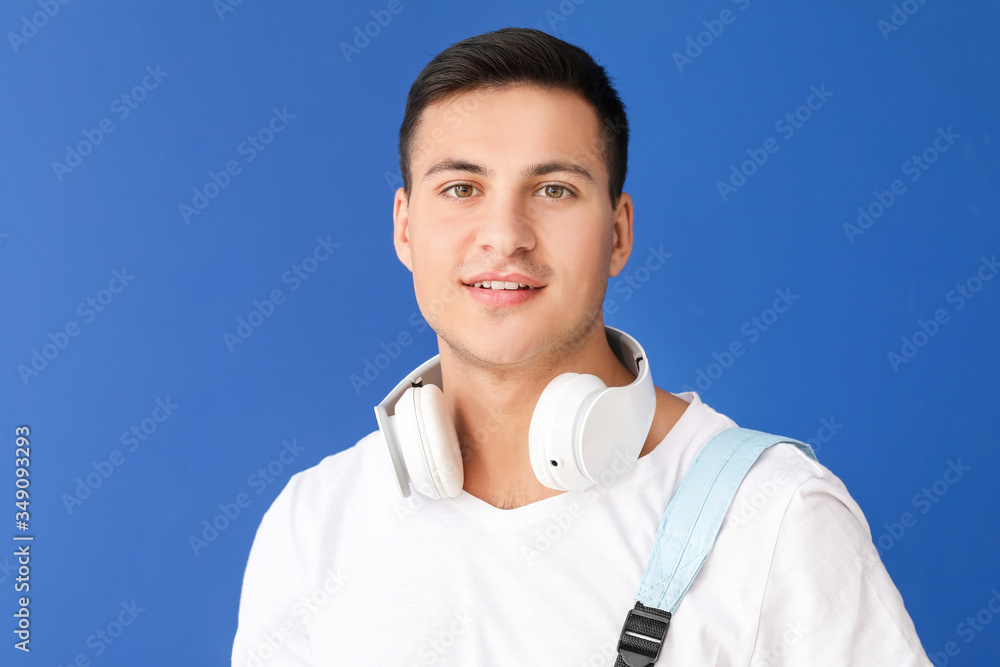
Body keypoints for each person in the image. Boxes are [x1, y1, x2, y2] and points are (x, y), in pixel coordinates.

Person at [232, 27, 933, 666]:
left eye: (554, 189)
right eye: (461, 187)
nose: (504, 234)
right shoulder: (314, 523)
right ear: (405, 228)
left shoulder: (777, 515)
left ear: (619, 233)